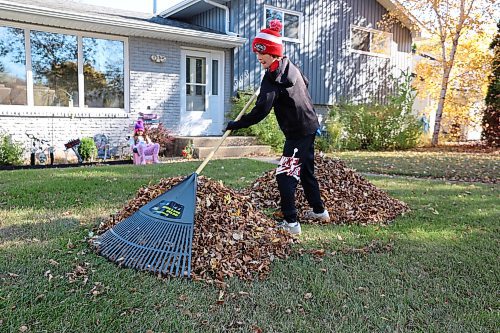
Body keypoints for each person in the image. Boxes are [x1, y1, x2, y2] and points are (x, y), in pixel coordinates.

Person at [226, 19, 330, 235]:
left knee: (285, 175)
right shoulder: (290, 67)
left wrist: (236, 124)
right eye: (257, 53)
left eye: (262, 53)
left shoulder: (273, 79)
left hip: (298, 132)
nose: (258, 57)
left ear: (274, 52)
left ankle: (291, 223)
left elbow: (260, 111)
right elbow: (306, 82)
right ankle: (319, 211)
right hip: (310, 126)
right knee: (306, 171)